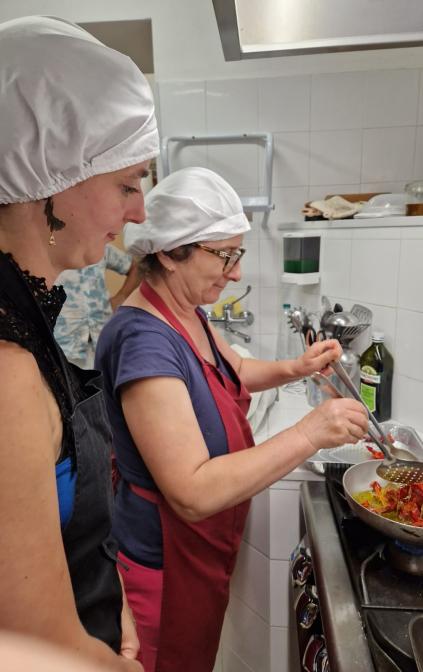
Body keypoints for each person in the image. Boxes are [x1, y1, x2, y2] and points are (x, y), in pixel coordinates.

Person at [95, 166, 369, 672]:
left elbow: (235, 367)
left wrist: (297, 366)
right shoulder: (142, 343)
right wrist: (311, 431)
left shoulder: (187, 313)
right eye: (225, 255)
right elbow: (193, 492)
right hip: (164, 564)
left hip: (198, 555)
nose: (236, 271)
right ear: (171, 254)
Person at [0, 15, 159, 672]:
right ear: (49, 179)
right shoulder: (6, 374)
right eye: (127, 185)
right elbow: (33, 645)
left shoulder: (30, 312)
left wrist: (107, 582)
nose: (139, 213)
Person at [55, 244, 142, 368]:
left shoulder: (100, 246)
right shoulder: (49, 250)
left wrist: (121, 297)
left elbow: (137, 268)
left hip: (102, 339)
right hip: (64, 346)